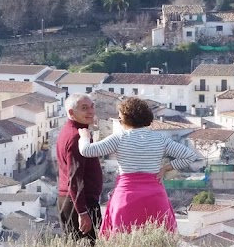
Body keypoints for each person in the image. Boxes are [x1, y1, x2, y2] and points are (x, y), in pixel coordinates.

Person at [78, 96, 201, 236]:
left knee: (121, 239)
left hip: (126, 195)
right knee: (159, 240)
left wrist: (84, 136)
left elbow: (87, 151)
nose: (119, 121)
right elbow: (189, 156)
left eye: (120, 118)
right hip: (155, 196)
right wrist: (165, 168)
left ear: (126, 118)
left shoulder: (120, 138)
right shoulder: (160, 139)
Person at [56, 94, 103, 243]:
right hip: (79, 202)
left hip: (72, 200)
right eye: (84, 108)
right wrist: (82, 211)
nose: (91, 111)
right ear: (71, 112)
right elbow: (75, 177)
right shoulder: (76, 136)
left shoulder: (71, 131)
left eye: (92, 106)